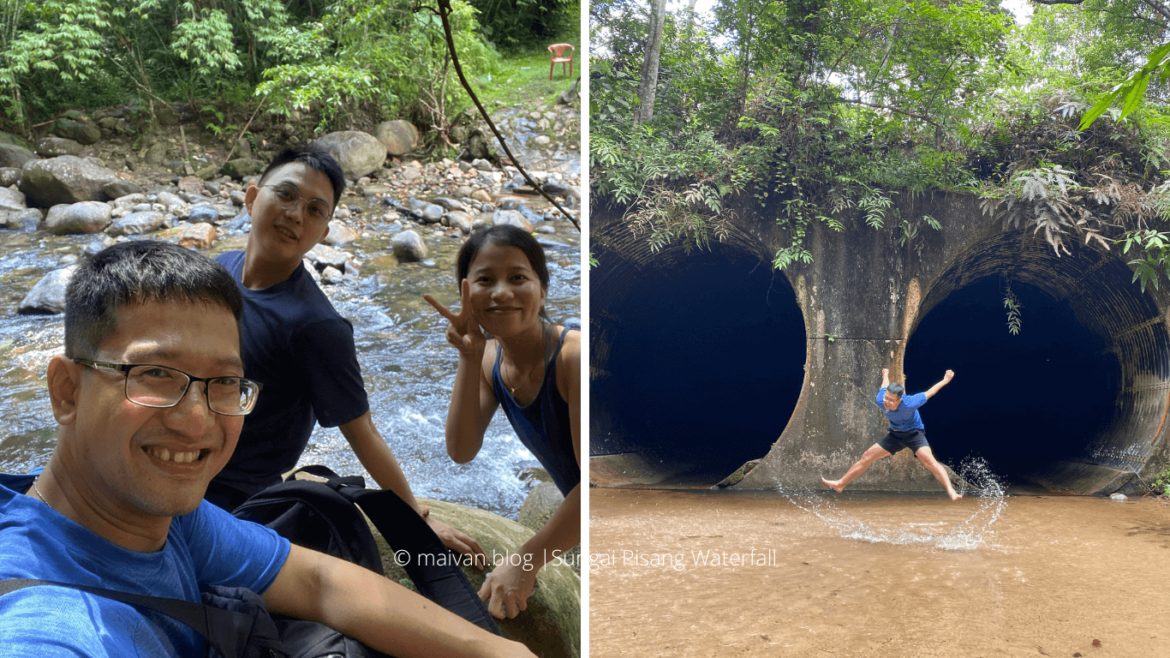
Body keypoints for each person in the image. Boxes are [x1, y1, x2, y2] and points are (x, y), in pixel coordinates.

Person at [0, 240, 532, 657]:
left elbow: (321, 581)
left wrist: (499, 651)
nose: (195, 421)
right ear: (66, 391)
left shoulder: (160, 519)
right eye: (155, 374)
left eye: (226, 383)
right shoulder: (43, 621)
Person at [208, 144, 484, 563]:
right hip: (181, 459)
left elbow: (363, 432)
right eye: (285, 195)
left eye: (315, 210)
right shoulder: (218, 272)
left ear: (323, 233)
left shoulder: (316, 326)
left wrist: (413, 517)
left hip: (231, 501)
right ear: (251, 197)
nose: (296, 214)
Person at [423, 225, 580, 620]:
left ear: (542, 290)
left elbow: (599, 491)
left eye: (518, 278)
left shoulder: (573, 359)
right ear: (466, 293)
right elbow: (461, 450)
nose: (502, 292)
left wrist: (525, 562)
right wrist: (468, 357)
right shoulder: (490, 360)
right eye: (485, 280)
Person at [821, 368, 962, 501]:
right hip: (895, 436)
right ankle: (840, 484)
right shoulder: (880, 399)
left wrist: (945, 380)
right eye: (886, 398)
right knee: (866, 457)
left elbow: (930, 392)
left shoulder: (910, 403)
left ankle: (951, 491)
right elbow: (884, 387)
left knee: (929, 461)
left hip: (914, 435)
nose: (886, 402)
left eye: (890, 400)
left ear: (899, 400)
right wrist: (885, 374)